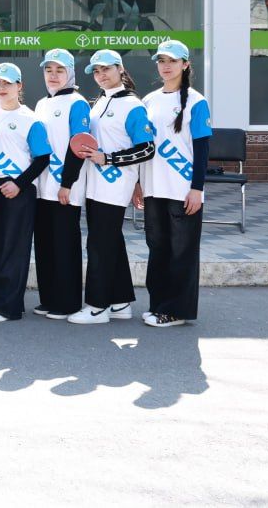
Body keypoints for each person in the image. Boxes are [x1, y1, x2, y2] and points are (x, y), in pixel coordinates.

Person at [68, 49, 155, 325]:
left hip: (115, 186)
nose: (101, 75)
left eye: (106, 69)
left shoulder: (133, 106)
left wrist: (110, 159)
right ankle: (120, 303)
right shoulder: (99, 102)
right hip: (95, 185)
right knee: (111, 242)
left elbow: (147, 149)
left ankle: (97, 307)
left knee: (99, 245)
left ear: (120, 69)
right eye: (96, 71)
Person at [138, 39, 211, 328]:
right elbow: (143, 146)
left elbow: (202, 149)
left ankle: (177, 311)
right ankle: (158, 305)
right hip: (153, 187)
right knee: (157, 248)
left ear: (185, 64)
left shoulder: (196, 101)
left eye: (172, 61)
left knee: (182, 251)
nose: (166, 66)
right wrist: (138, 183)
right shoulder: (149, 100)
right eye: (161, 61)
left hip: (182, 190)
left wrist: (197, 189)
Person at [0, 63, 52, 323]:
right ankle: (9, 302)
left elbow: (42, 158)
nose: (2, 88)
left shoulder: (31, 119)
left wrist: (19, 184)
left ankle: (6, 307)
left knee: (14, 249)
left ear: (19, 86)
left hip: (19, 189)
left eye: (7, 83)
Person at [32, 48, 90, 321]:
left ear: (70, 73)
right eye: (49, 70)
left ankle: (67, 302)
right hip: (42, 187)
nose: (53, 75)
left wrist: (67, 183)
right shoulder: (42, 104)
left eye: (59, 70)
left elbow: (80, 146)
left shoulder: (77, 103)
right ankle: (49, 299)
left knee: (65, 245)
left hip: (65, 188)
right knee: (45, 244)